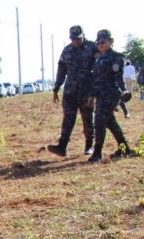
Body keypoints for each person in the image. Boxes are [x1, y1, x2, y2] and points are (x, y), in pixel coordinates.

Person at [48, 26, 98, 158]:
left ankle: (89, 145)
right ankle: (62, 146)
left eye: (78, 38)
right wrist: (56, 88)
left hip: (87, 90)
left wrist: (96, 89)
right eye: (73, 39)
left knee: (87, 118)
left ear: (83, 35)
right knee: (68, 118)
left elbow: (100, 66)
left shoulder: (93, 47)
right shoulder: (67, 50)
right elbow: (61, 70)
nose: (75, 41)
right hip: (70, 91)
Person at [88, 30, 134, 163]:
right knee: (110, 122)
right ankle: (124, 148)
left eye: (103, 42)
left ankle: (97, 152)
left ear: (111, 41)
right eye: (98, 42)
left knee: (99, 120)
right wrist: (92, 95)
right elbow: (96, 80)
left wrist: (124, 90)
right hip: (100, 95)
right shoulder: (99, 59)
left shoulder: (117, 58)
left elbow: (118, 78)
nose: (100, 44)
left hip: (111, 94)